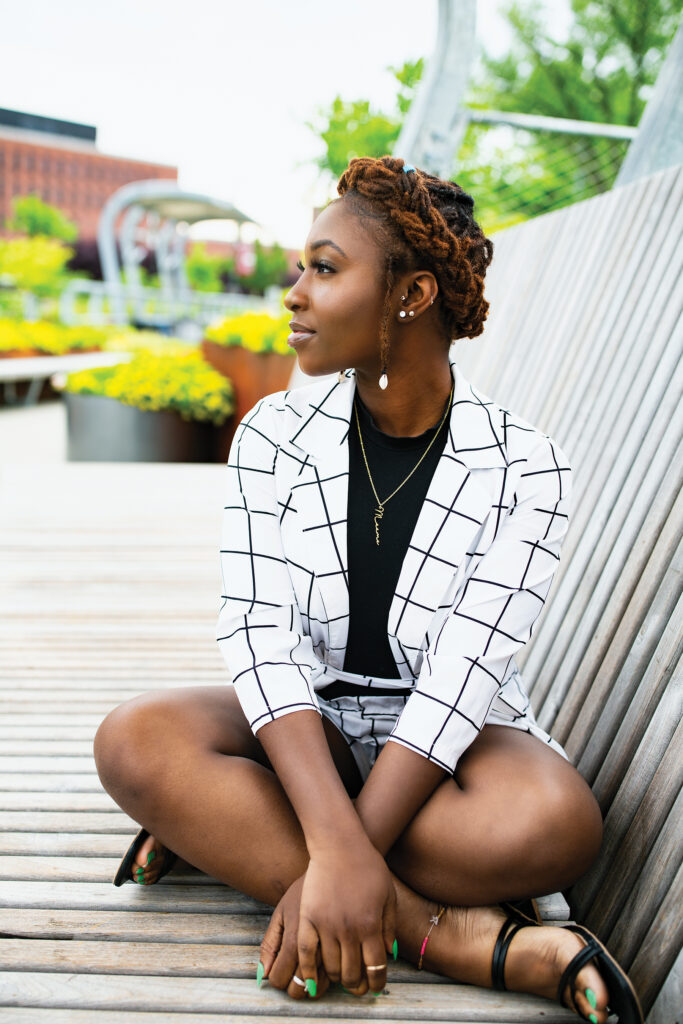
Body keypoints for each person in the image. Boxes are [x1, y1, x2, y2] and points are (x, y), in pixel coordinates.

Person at [94, 156, 642, 1023]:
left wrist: (342, 846)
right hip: (307, 722)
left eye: (323, 267)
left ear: (411, 295)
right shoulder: (272, 434)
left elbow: (465, 673)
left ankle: (249, 834)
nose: (292, 294)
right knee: (135, 742)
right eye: (300, 268)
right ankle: (444, 935)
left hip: (450, 743)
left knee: (553, 825)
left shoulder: (525, 467)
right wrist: (341, 855)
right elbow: (259, 638)